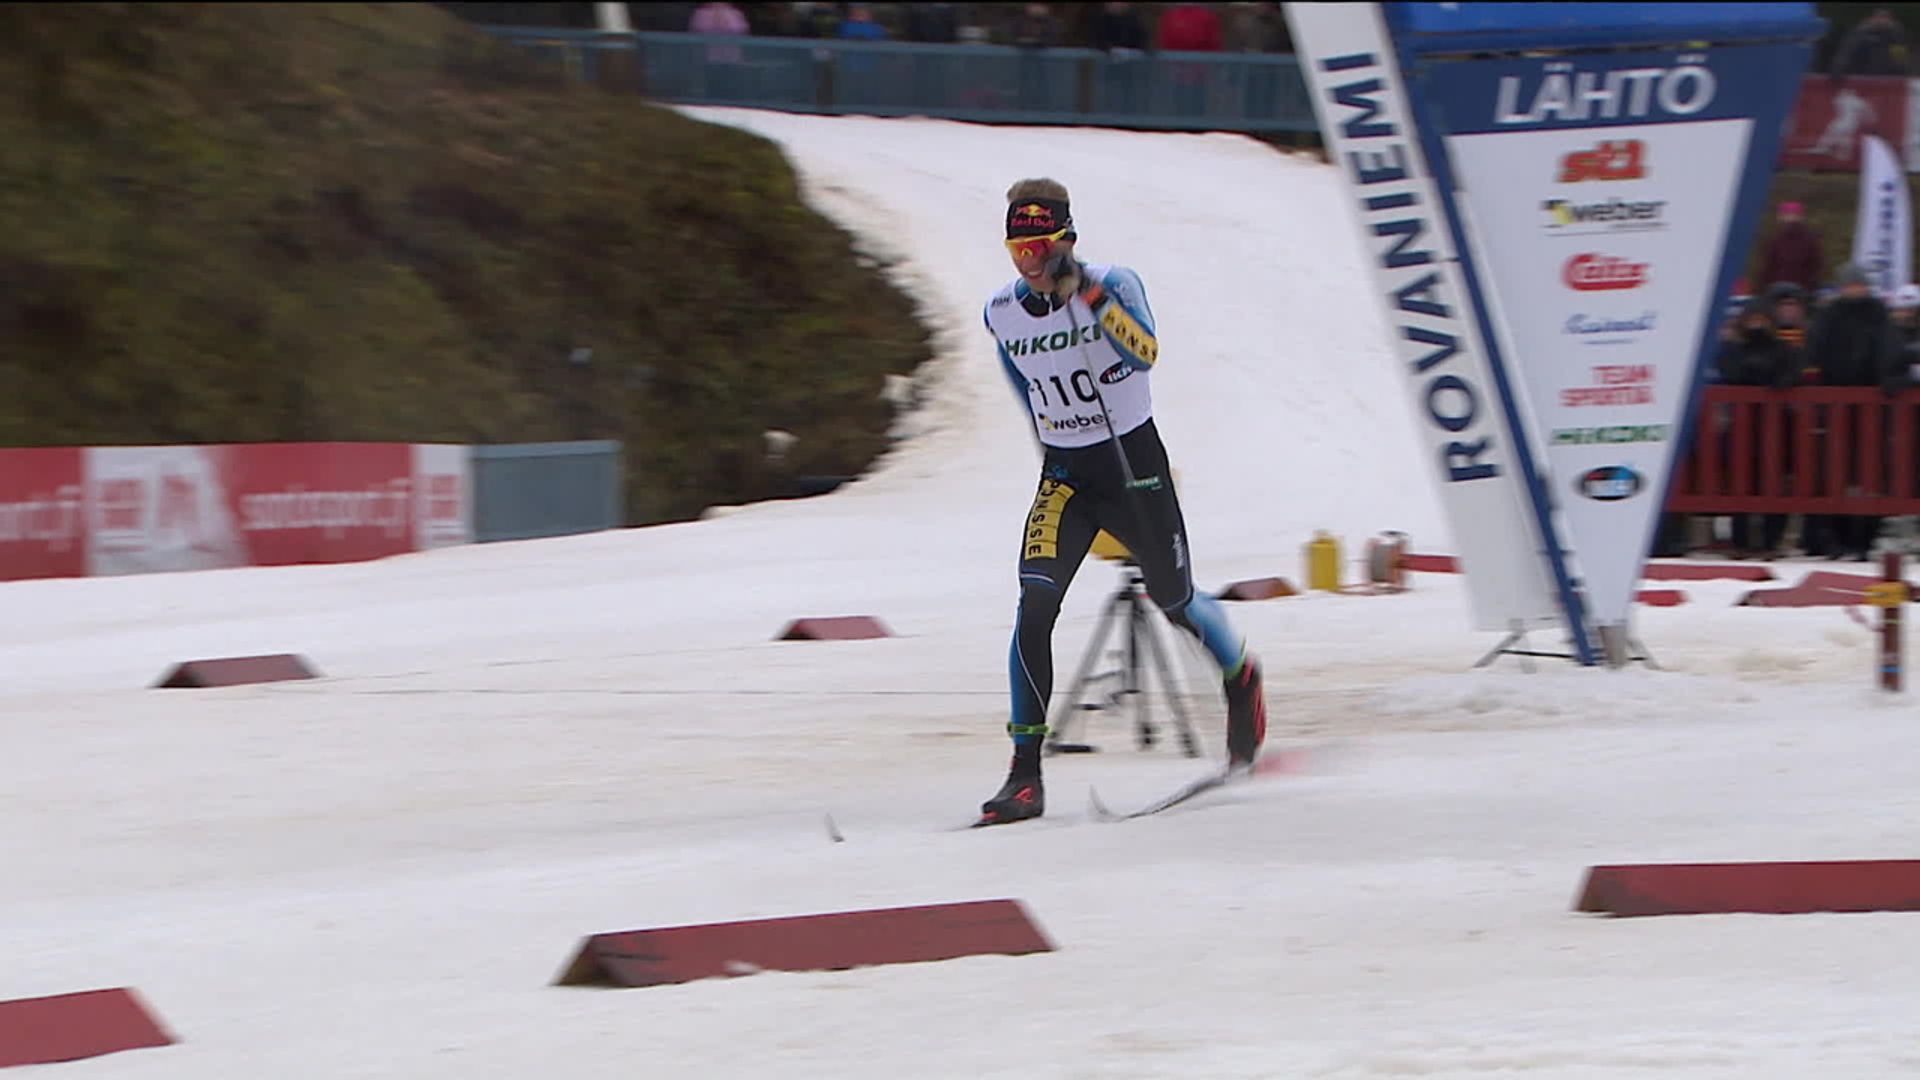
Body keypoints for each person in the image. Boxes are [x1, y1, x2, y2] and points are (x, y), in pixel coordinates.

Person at [975, 178, 1267, 825]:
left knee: (1173, 599)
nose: (1031, 262)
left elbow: (1144, 354)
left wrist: (1087, 293)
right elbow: (1020, 376)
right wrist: (1046, 438)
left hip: (1133, 466)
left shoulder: (1114, 283)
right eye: (1019, 249)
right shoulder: (1001, 310)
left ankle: (1240, 676)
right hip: (1067, 475)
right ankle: (1024, 776)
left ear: (1068, 241)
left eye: (1042, 248)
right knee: (1035, 603)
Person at [1755, 203, 1823, 296]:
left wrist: (1761, 289)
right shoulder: (1811, 239)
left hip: (1779, 290)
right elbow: (1816, 267)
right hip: (1801, 290)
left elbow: (1767, 268)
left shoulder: (1775, 239)